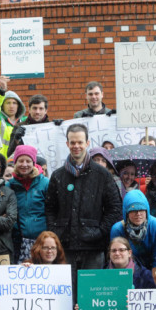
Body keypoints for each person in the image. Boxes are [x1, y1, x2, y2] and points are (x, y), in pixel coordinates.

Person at [45, 123, 122, 298]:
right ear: (67, 144)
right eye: (72, 142)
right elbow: (50, 208)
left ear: (87, 143)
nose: (76, 146)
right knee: (66, 296)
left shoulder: (102, 175)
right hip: (65, 246)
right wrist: (55, 232)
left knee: (91, 296)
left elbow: (114, 208)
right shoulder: (57, 176)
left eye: (80, 142)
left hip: (93, 248)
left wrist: (100, 232)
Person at [7, 145, 49, 262]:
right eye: (20, 160)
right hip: (19, 241)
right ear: (15, 163)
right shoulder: (9, 185)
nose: (24, 164)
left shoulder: (45, 183)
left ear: (34, 162)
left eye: (28, 161)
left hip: (43, 240)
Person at [110, 190, 156, 270]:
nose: (138, 214)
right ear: (126, 213)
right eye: (134, 210)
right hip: (127, 269)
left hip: (153, 267)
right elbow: (117, 257)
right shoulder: (118, 229)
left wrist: (154, 276)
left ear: (147, 211)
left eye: (142, 210)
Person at [0, 90, 26, 158]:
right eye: (8, 103)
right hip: (2, 160)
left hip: (21, 160)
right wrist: (1, 91)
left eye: (14, 103)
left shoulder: (25, 121)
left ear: (18, 106)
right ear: (2, 105)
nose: (11, 106)